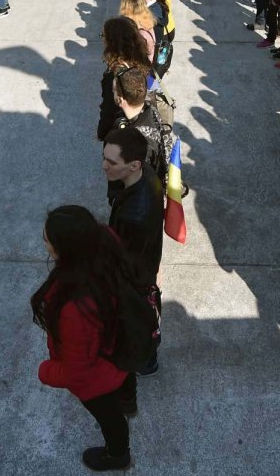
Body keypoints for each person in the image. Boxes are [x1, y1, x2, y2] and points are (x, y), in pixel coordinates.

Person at [32, 206, 137, 471]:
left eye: (47, 240)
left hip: (98, 376)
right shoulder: (106, 245)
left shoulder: (75, 309)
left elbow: (78, 370)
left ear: (66, 250)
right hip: (120, 349)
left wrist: (46, 371)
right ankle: (128, 400)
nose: (44, 243)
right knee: (123, 386)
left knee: (109, 417)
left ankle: (118, 455)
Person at [101, 127, 165, 376]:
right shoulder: (147, 174)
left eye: (112, 162)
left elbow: (124, 260)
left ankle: (146, 363)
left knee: (135, 325)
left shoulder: (134, 215)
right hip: (145, 267)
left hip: (135, 281)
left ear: (134, 165)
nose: (104, 166)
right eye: (104, 158)